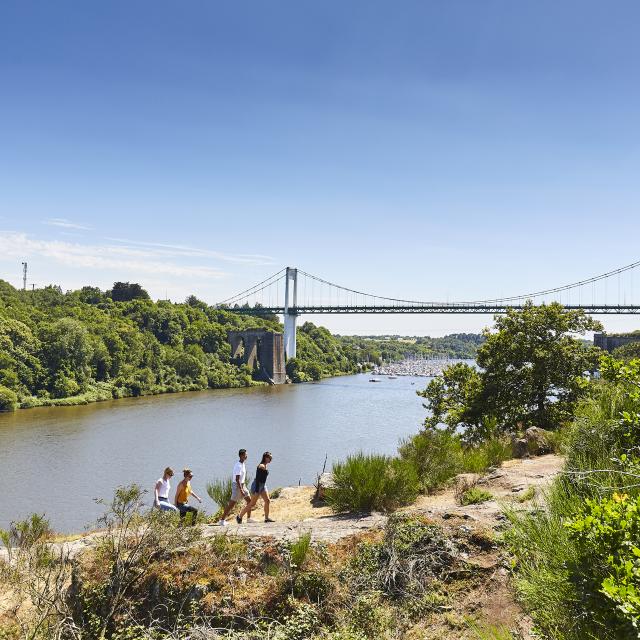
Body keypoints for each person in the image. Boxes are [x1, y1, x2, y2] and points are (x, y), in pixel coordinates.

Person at [238, 451, 275, 523]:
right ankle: (239, 516)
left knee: (267, 501)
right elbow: (258, 479)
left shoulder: (265, 465)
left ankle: (266, 518)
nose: (271, 459)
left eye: (271, 458)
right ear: (265, 458)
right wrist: (257, 489)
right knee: (252, 503)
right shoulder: (261, 466)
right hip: (257, 485)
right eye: (270, 458)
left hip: (263, 485)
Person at [218, 449, 252, 526]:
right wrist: (241, 490)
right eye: (245, 455)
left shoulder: (243, 464)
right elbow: (237, 479)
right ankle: (222, 520)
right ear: (241, 455)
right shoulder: (238, 465)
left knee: (250, 501)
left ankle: (249, 519)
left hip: (243, 485)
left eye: (246, 454)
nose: (246, 456)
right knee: (231, 504)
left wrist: (243, 488)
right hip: (237, 486)